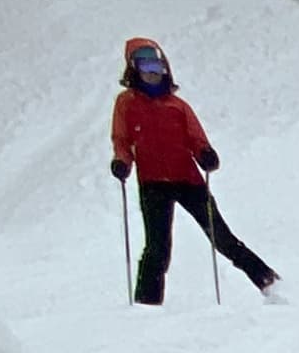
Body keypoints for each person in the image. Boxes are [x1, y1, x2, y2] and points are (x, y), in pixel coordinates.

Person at [109, 36, 279, 303]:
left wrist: (205, 154)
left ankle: (269, 282)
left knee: (222, 238)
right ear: (133, 69)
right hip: (153, 184)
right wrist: (122, 162)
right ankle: (146, 306)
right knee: (157, 248)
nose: (153, 74)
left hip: (188, 180)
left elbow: (195, 138)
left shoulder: (178, 106)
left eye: (157, 68)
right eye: (146, 68)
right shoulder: (126, 104)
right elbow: (122, 139)